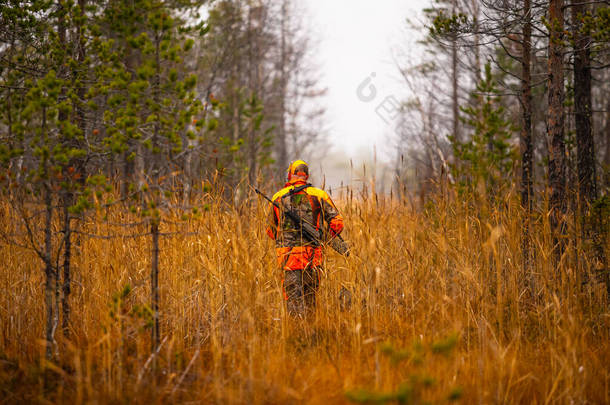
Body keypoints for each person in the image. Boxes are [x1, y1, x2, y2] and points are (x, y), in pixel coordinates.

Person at [265, 160, 344, 316]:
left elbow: (271, 231)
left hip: (288, 258)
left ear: (289, 175)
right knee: (310, 300)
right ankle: (312, 334)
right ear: (306, 176)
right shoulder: (319, 195)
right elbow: (337, 223)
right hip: (313, 257)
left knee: (293, 302)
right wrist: (322, 237)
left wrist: (286, 236)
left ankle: (296, 334)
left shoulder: (278, 197)